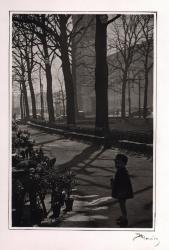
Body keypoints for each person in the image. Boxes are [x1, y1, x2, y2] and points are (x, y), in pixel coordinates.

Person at [111, 154, 133, 227]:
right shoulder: (121, 170)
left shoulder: (122, 172)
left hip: (122, 192)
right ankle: (123, 216)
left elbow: (123, 183)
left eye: (119, 163)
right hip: (122, 192)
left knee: (122, 205)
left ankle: (124, 219)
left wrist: (114, 183)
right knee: (122, 205)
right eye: (116, 163)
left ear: (124, 164)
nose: (117, 165)